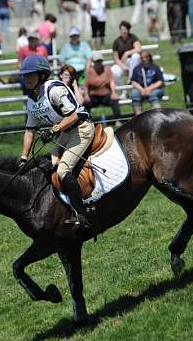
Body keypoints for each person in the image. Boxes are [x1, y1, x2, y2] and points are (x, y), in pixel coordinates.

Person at [19, 54, 94, 230]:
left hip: (82, 129)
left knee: (62, 169)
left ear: (42, 75)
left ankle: (81, 215)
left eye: (31, 75)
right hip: (66, 132)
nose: (27, 79)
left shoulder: (54, 90)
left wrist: (54, 130)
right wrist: (23, 158)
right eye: (25, 76)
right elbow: (30, 130)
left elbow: (76, 114)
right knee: (50, 163)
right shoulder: (31, 100)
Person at [84, 52, 122, 123]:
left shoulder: (107, 69)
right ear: (94, 62)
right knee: (86, 103)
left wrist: (114, 93)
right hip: (94, 95)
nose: (98, 63)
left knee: (114, 100)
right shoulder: (90, 71)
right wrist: (86, 95)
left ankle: (117, 120)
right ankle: (86, 121)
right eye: (97, 61)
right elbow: (86, 86)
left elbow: (112, 82)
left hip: (106, 94)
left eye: (100, 61)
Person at [130, 50, 163, 115]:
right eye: (142, 58)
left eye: (146, 57)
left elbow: (160, 82)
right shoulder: (137, 68)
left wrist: (149, 89)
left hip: (154, 89)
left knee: (153, 94)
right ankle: (138, 115)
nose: (144, 59)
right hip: (141, 89)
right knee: (134, 93)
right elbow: (133, 81)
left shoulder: (155, 67)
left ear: (149, 57)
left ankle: (157, 114)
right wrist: (141, 89)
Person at [110, 21, 141, 88]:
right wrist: (123, 67)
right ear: (120, 30)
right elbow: (116, 58)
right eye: (122, 29)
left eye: (126, 29)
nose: (124, 31)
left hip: (133, 63)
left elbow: (138, 49)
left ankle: (131, 79)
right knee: (113, 70)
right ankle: (123, 90)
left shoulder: (133, 38)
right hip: (121, 63)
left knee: (136, 56)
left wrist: (127, 53)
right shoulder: (116, 41)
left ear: (128, 30)